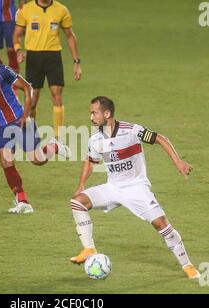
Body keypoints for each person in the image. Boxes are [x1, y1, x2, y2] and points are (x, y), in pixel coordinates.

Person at [69, 96, 200, 279]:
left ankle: (187, 266)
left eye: (94, 112)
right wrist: (81, 184)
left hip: (137, 189)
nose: (91, 117)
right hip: (113, 187)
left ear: (107, 113)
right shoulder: (95, 140)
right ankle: (89, 248)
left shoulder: (131, 131)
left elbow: (160, 139)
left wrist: (177, 161)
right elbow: (91, 161)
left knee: (163, 226)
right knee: (77, 202)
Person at [0, 35, 70, 214]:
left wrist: (26, 116)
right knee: (6, 159)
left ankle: (54, 146)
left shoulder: (2, 70)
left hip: (18, 119)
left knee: (37, 160)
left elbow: (27, 88)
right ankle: (22, 200)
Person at [13, 0, 82, 138]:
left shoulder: (61, 10)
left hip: (53, 56)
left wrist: (76, 62)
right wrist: (18, 50)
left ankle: (59, 138)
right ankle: (31, 134)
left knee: (57, 95)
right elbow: (16, 35)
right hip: (33, 57)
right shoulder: (26, 10)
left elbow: (70, 36)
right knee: (32, 100)